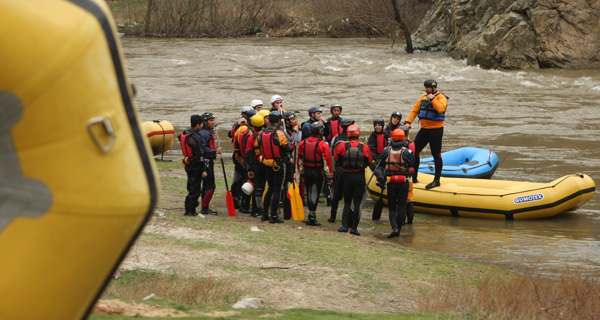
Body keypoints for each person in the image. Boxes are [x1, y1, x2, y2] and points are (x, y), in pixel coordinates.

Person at [404, 79, 448, 189]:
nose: (426, 90)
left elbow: (440, 109)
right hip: (424, 129)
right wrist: (408, 122)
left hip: (436, 130)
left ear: (434, 88)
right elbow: (415, 110)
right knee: (415, 151)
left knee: (436, 154)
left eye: (428, 88)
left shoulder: (441, 97)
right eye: (425, 87)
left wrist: (433, 99)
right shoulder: (423, 96)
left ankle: (436, 180)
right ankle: (414, 177)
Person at [333, 125, 373, 236]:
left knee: (346, 202)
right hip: (359, 177)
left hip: (347, 177)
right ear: (358, 134)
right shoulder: (364, 147)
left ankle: (344, 226)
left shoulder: (341, 145)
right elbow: (369, 160)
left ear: (348, 134)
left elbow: (336, 157)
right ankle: (354, 228)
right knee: (357, 203)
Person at [376, 129, 415, 238]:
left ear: (392, 138)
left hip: (391, 182)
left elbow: (382, 163)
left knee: (392, 207)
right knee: (402, 206)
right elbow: (412, 166)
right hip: (403, 182)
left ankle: (394, 228)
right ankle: (399, 228)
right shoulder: (408, 152)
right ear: (403, 138)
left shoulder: (385, 151)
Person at [257, 111, 293, 223]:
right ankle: (273, 215)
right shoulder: (279, 133)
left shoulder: (261, 133)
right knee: (277, 189)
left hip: (267, 163)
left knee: (270, 188)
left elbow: (257, 145)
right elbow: (288, 147)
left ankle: (264, 214)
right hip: (278, 164)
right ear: (278, 121)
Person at [298, 122, 333, 226]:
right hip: (318, 172)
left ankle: (310, 214)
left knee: (309, 191)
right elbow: (327, 161)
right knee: (315, 192)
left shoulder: (303, 143)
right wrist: (330, 176)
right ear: (321, 132)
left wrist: (302, 173)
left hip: (307, 171)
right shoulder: (322, 144)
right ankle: (312, 216)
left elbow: (300, 161)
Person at [178, 114, 208, 217]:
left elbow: (180, 138)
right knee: (195, 189)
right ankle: (191, 210)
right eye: (201, 124)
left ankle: (188, 209)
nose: (202, 126)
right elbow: (199, 154)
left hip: (188, 163)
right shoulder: (196, 136)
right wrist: (203, 169)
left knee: (190, 186)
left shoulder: (185, 132)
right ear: (198, 125)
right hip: (195, 165)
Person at [328, 118, 355, 223]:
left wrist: (332, 171)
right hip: (350, 169)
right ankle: (348, 218)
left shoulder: (336, 138)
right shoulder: (354, 139)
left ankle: (332, 217)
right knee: (349, 195)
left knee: (336, 194)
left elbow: (332, 154)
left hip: (338, 169)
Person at [233, 108, 258, 213]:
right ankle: (246, 205)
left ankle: (244, 204)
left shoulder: (241, 129)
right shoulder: (248, 132)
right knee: (248, 182)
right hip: (246, 159)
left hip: (240, 157)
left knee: (245, 181)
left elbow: (236, 144)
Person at [199, 112, 223, 215]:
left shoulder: (207, 132)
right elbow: (203, 148)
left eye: (213, 120)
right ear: (205, 122)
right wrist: (215, 151)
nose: (213, 122)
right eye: (210, 121)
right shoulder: (205, 133)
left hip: (206, 161)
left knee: (206, 185)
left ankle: (204, 206)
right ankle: (205, 208)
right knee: (210, 185)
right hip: (207, 161)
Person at [367, 118, 390, 220]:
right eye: (376, 125)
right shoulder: (372, 136)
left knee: (385, 172)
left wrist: (384, 157)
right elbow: (370, 148)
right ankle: (380, 180)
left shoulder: (387, 135)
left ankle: (384, 181)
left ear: (382, 126)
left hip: (385, 158)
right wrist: (376, 158)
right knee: (378, 173)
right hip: (376, 159)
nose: (377, 127)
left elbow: (390, 147)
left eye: (379, 125)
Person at [244, 114, 267, 218]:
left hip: (256, 164)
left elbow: (248, 153)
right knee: (263, 186)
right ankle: (261, 209)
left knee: (256, 187)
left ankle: (257, 210)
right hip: (266, 163)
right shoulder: (266, 134)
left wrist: (248, 168)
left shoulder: (251, 137)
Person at [282, 111, 301, 220]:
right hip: (286, 160)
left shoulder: (293, 129)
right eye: (293, 119)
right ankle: (285, 207)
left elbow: (298, 139)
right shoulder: (283, 130)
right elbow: (290, 141)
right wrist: (295, 130)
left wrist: (298, 129)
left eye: (295, 119)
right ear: (287, 121)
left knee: (291, 182)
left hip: (293, 159)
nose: (295, 121)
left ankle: (290, 208)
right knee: (285, 185)